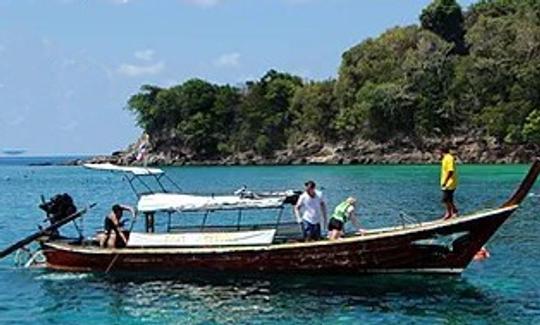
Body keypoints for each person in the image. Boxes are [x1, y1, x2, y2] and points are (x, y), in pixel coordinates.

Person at [440, 146, 458, 220]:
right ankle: (451, 212)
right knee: (448, 199)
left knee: (446, 199)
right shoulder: (445, 158)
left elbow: (450, 171)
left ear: (442, 151)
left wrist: (445, 181)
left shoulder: (449, 158)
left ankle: (452, 212)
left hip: (449, 182)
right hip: (447, 182)